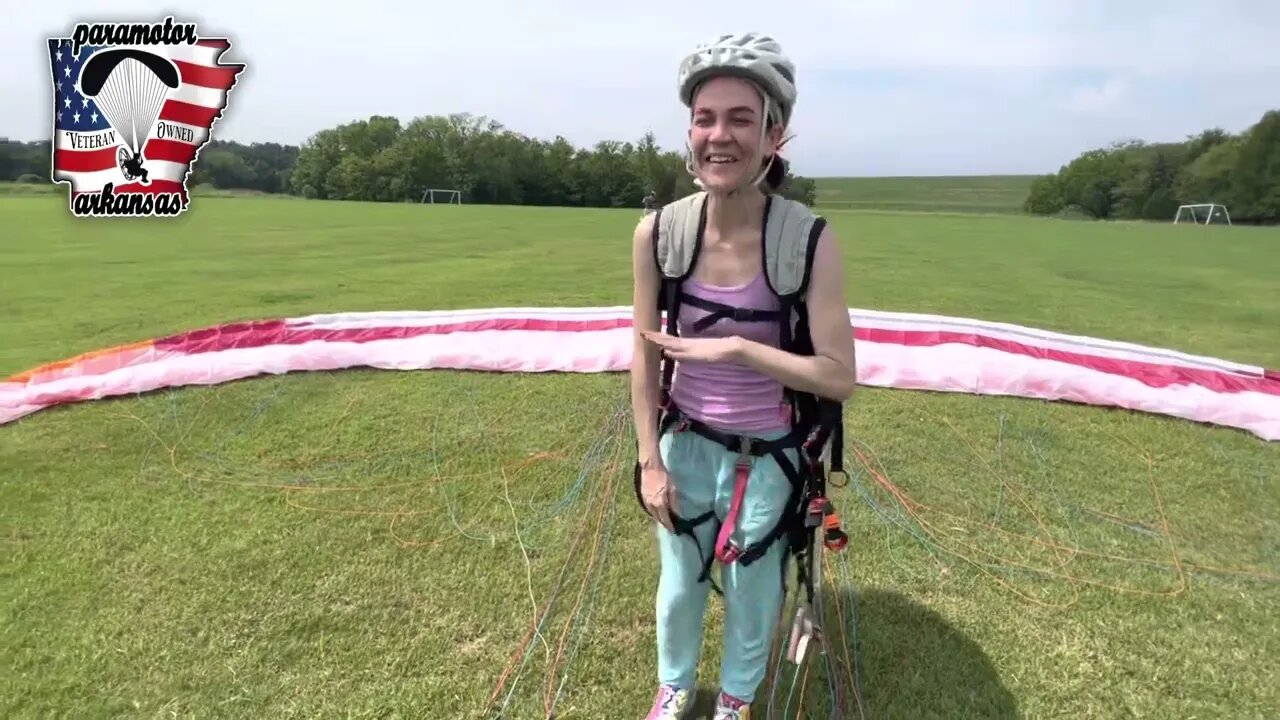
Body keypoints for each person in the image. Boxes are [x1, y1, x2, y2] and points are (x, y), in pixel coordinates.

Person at [629, 33, 857, 720]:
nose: (719, 136)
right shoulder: (659, 234)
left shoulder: (808, 239)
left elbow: (839, 376)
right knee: (679, 584)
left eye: (739, 119)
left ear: (773, 134)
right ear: (689, 132)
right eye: (705, 118)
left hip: (769, 453)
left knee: (755, 586)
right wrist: (649, 461)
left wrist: (741, 351)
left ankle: (734, 701)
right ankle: (673, 688)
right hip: (684, 444)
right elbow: (643, 353)